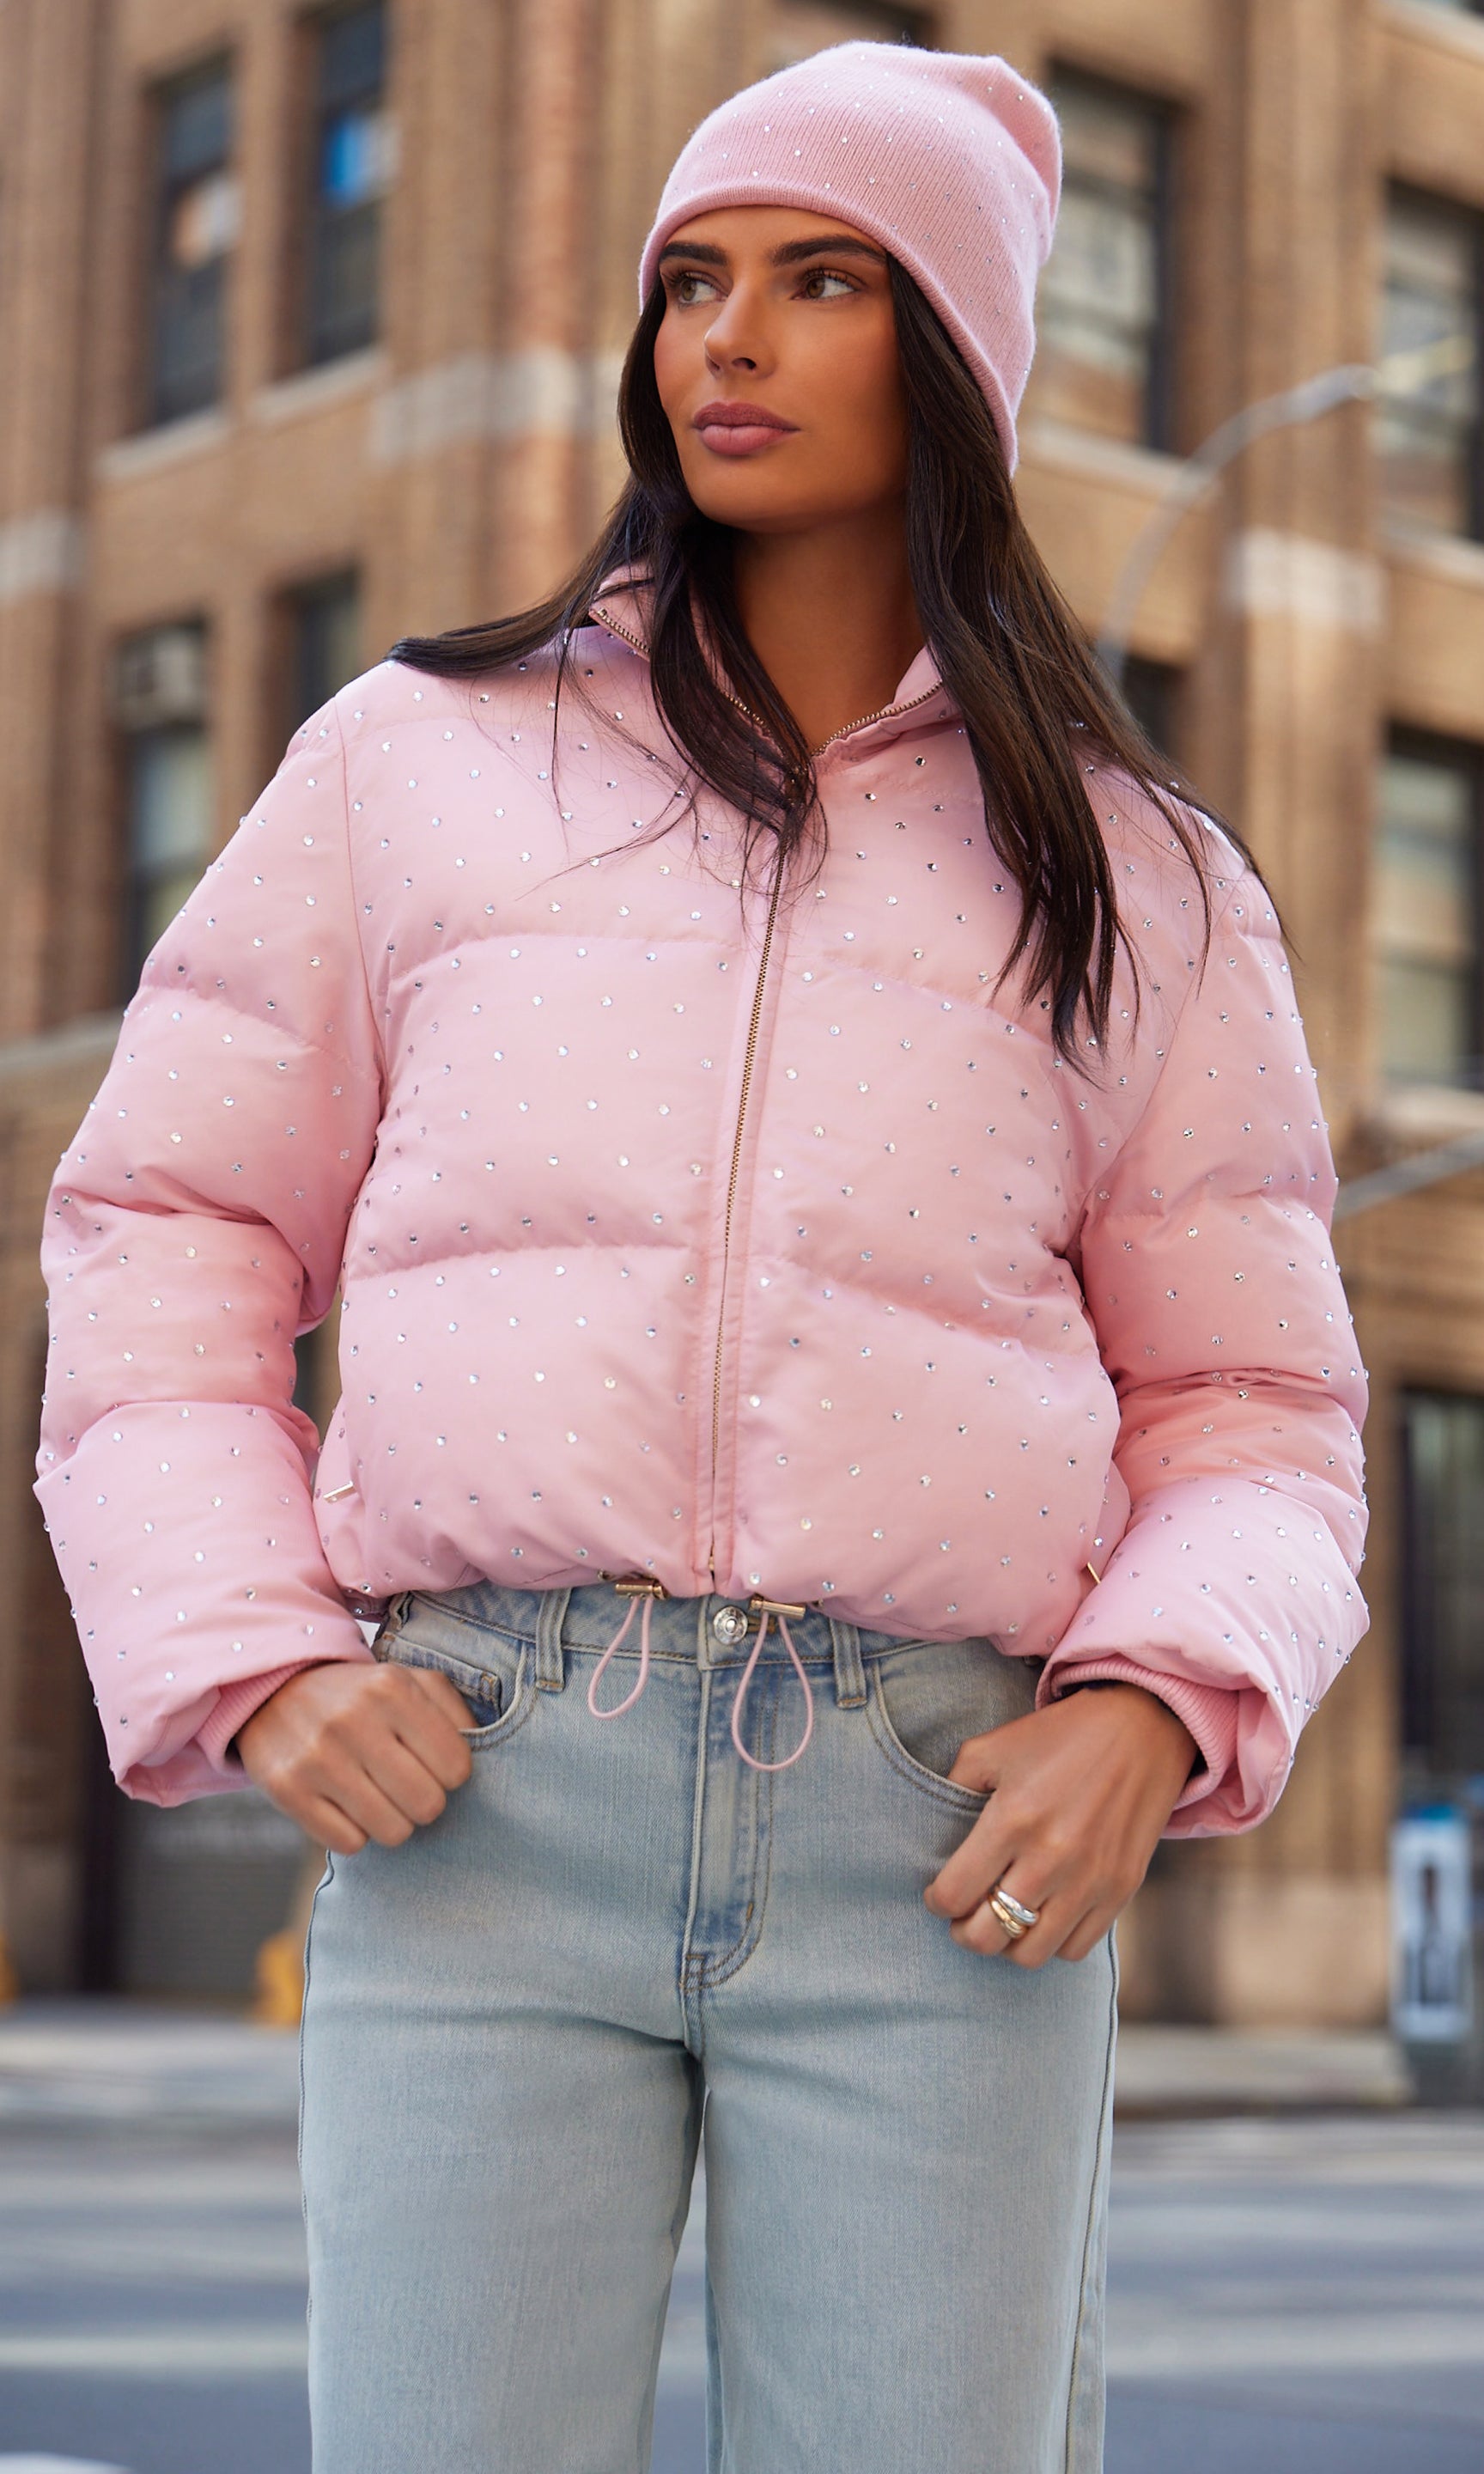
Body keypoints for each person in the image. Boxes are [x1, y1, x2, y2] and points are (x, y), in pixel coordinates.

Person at [36, 41, 1368, 2474]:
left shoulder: (1142, 879)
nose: (725, 341)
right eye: (691, 282)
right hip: (480, 1802)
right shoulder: (418, 765)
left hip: (936, 1831)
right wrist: (248, 1659)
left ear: (952, 350)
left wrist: (1154, 1701)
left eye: (820, 279)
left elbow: (1260, 1417)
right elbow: (166, 1236)